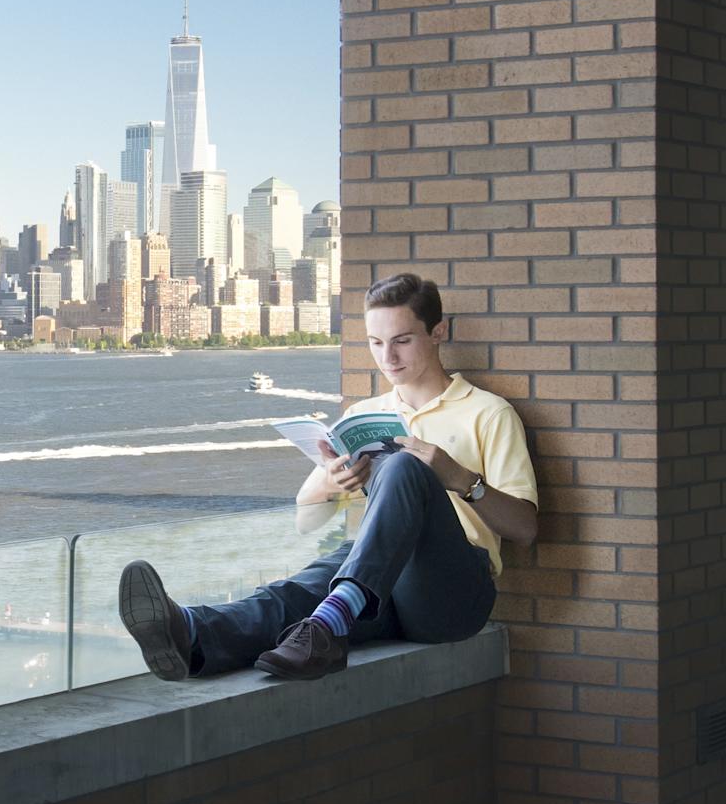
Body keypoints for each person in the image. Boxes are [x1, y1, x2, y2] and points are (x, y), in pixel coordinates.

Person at [117, 273, 539, 680]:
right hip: (385, 587)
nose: (387, 357)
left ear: (437, 332)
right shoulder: (363, 417)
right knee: (298, 590)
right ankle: (189, 634)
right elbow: (306, 521)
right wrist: (330, 480)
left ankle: (332, 617)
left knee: (402, 467)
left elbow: (524, 528)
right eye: (376, 343)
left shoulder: (487, 412)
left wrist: (458, 477)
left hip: (454, 596)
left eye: (402, 341)